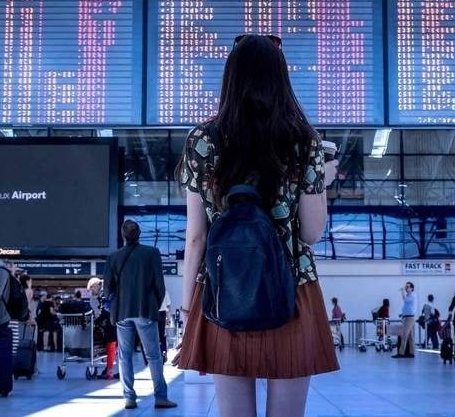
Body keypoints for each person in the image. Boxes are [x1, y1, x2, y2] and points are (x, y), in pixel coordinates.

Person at [175, 34, 339, 417]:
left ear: (230, 78)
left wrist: (187, 308)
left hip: (222, 291)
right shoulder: (304, 141)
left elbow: (196, 236)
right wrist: (320, 184)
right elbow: (312, 234)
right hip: (292, 291)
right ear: (281, 79)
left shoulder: (203, 140)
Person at [104, 219, 176, 410]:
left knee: (125, 356)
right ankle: (160, 397)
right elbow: (160, 285)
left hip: (121, 312)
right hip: (145, 309)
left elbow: (107, 289)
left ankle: (129, 398)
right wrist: (154, 304)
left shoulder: (113, 257)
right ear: (139, 234)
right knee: (153, 356)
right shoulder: (151, 253)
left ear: (122, 235)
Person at [87, 277, 117, 380]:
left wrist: (97, 321)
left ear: (96, 285)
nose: (92, 291)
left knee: (111, 345)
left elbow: (106, 310)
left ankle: (109, 372)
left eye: (92, 289)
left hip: (112, 322)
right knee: (112, 346)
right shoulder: (105, 292)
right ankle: (109, 370)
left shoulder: (106, 292)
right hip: (114, 321)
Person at [392, 282, 417, 358]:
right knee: (410, 336)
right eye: (406, 287)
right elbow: (408, 307)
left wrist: (402, 292)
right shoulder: (408, 295)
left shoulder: (412, 296)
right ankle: (411, 353)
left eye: (408, 287)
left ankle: (401, 353)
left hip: (409, 318)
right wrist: (402, 314)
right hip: (406, 317)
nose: (406, 288)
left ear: (412, 288)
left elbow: (405, 300)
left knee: (404, 335)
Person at [158, 290, 171, 363]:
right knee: (162, 335)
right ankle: (164, 353)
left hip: (153, 314)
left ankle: (158, 353)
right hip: (162, 314)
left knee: (155, 335)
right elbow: (168, 305)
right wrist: (168, 318)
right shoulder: (165, 291)